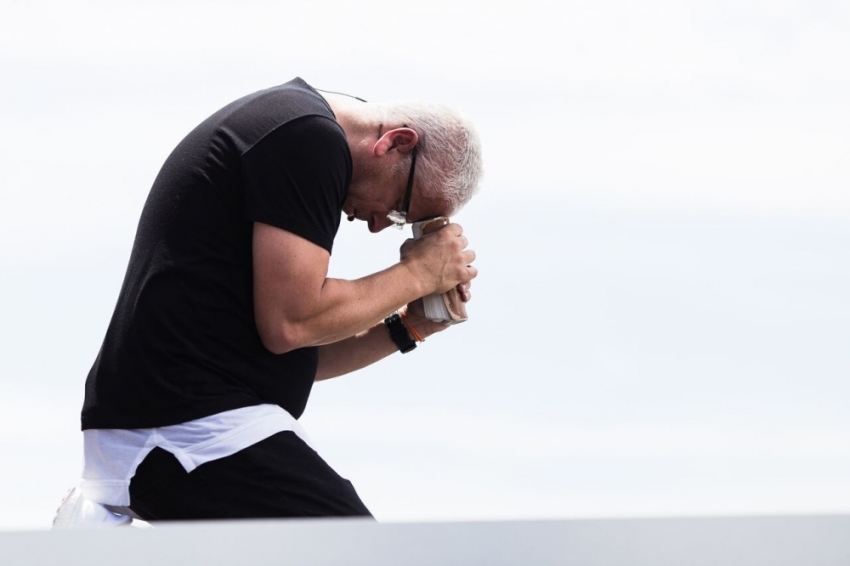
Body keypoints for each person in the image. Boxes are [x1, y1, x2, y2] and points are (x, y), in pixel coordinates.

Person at [69, 77, 482, 523]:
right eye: (402, 208)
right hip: (180, 429)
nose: (381, 225)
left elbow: (293, 350)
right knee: (356, 549)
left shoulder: (298, 132)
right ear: (396, 143)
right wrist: (418, 273)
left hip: (177, 426)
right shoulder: (308, 138)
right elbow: (292, 323)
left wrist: (409, 325)